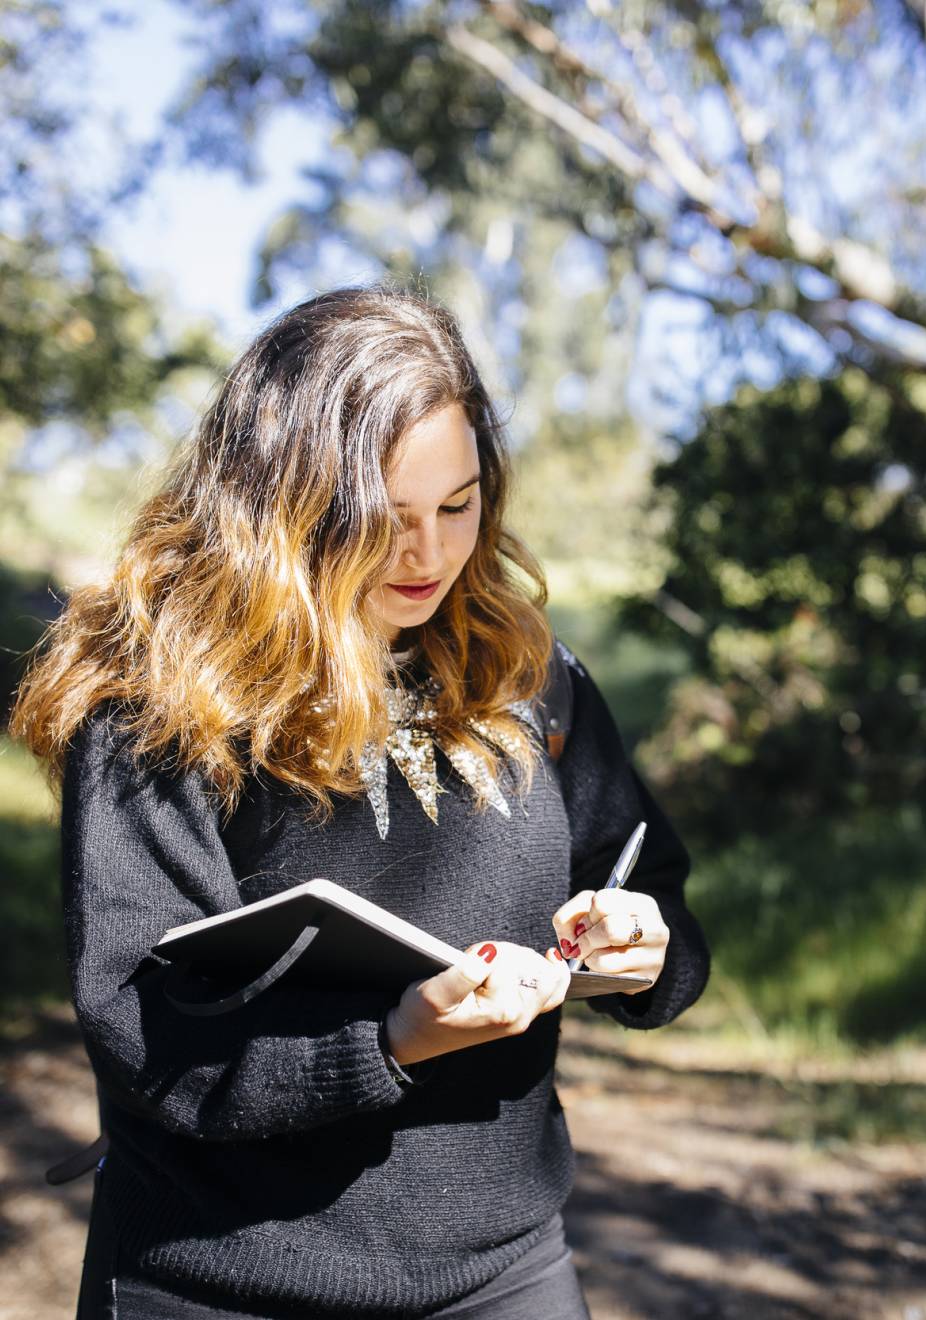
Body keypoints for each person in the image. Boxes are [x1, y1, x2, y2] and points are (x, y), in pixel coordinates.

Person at [7, 285, 710, 1318]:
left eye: (459, 507)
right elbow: (139, 1026)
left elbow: (649, 886)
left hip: (506, 1276)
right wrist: (389, 1041)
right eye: (385, 518)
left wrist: (645, 952)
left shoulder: (529, 674)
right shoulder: (157, 700)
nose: (429, 555)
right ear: (281, 499)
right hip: (216, 1283)